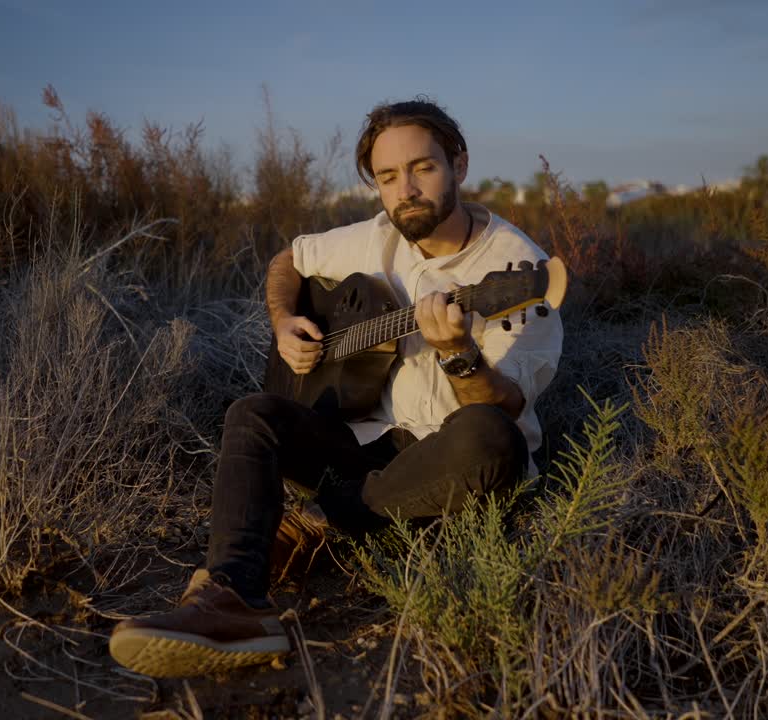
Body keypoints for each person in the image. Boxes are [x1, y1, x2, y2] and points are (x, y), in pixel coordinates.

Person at [108, 97, 563, 678]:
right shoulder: (378, 235)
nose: (406, 190)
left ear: (459, 165)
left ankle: (322, 520)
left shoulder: (515, 272)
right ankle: (232, 597)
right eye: (388, 177)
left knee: (490, 435)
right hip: (370, 443)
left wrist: (457, 351)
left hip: (455, 463)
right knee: (254, 412)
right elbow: (287, 260)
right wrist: (283, 323)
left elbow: (505, 405)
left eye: (422, 168)